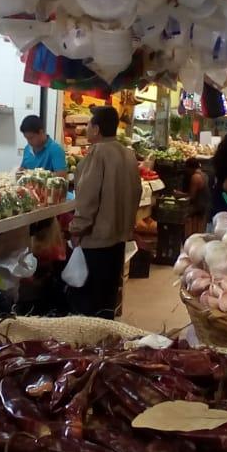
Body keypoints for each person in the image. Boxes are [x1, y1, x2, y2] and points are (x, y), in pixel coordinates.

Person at [68, 106, 142, 319]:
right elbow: (136, 191)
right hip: (119, 239)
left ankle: (89, 346)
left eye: (90, 124)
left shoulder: (98, 153)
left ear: (97, 128)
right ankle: (106, 344)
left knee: (89, 302)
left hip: (97, 240)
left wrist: (76, 228)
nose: (88, 129)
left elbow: (88, 198)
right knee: (108, 298)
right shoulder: (127, 154)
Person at [183, 157, 210, 237]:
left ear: (189, 168)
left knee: (182, 214)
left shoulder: (195, 177)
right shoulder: (204, 175)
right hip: (205, 204)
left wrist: (179, 195)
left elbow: (192, 196)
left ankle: (187, 237)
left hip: (198, 206)